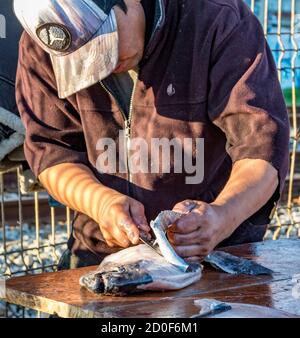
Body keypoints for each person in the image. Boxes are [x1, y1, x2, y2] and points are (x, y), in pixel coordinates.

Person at [14, 0, 290, 269]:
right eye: (81, 58)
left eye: (103, 44)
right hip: (102, 256)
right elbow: (52, 152)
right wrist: (100, 203)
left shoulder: (216, 19)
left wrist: (222, 216)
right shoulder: (44, 41)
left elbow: (262, 146)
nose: (103, 67)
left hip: (219, 254)